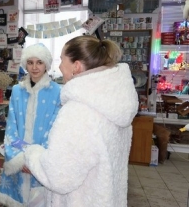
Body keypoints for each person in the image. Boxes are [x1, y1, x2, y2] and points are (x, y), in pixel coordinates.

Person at [23, 36, 139, 206]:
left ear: (76, 67)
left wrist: (32, 153)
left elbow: (58, 176)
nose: (59, 66)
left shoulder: (78, 111)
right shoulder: (114, 103)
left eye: (62, 60)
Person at [0, 44, 62, 206]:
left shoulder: (57, 92)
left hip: (42, 162)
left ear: (46, 64)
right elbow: (11, 126)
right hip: (18, 159)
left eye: (39, 62)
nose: (34, 67)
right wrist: (19, 158)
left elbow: (55, 130)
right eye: (30, 62)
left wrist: (35, 161)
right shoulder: (17, 91)